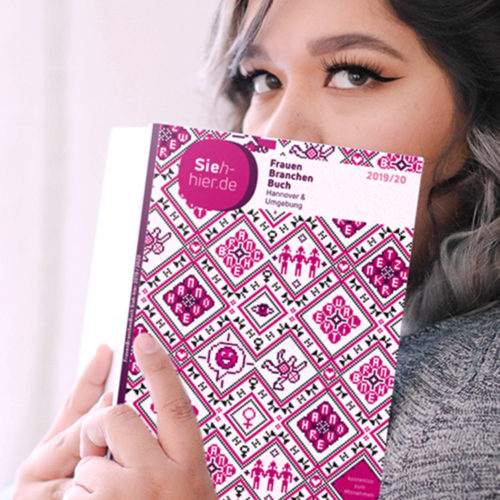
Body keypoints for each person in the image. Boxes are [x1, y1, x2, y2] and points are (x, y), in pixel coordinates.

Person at [12, 0, 499, 498]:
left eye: (354, 74)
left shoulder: (466, 405)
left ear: (485, 109)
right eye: (264, 80)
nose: (277, 132)